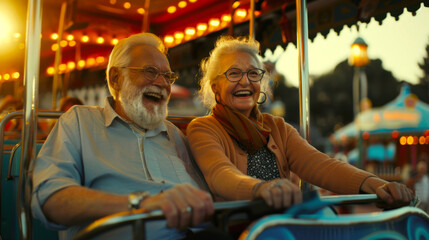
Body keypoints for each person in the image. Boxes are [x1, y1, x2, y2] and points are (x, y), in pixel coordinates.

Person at [187, 36, 413, 210]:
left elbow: (320, 164)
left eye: (253, 74)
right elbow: (220, 174)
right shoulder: (204, 128)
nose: (245, 81)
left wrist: (376, 184)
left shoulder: (277, 128)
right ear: (215, 86)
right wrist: (261, 189)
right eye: (233, 74)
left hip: (284, 225)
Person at [32, 33, 216, 240]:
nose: (163, 83)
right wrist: (140, 204)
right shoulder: (79, 121)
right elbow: (50, 200)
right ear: (116, 78)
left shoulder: (175, 134)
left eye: (168, 76)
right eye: (150, 71)